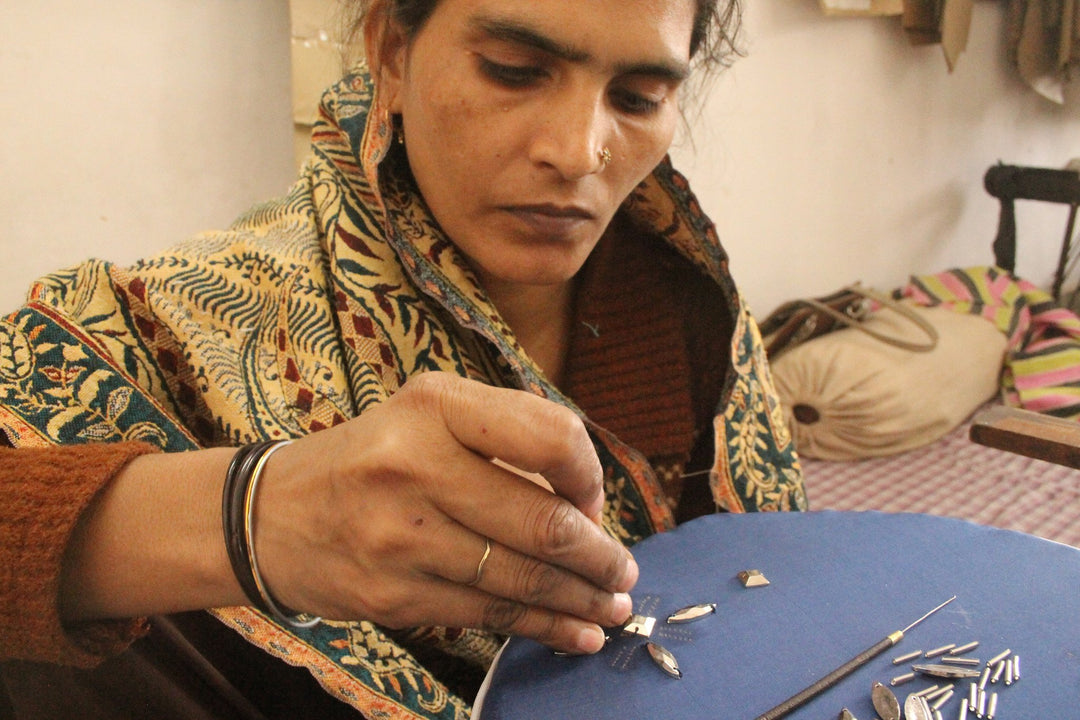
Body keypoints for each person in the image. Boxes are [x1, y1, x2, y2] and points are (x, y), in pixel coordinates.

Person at [0, 0, 806, 717]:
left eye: (637, 98)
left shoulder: (692, 306)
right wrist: (249, 516)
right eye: (515, 71)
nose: (578, 149)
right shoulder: (180, 320)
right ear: (390, 48)